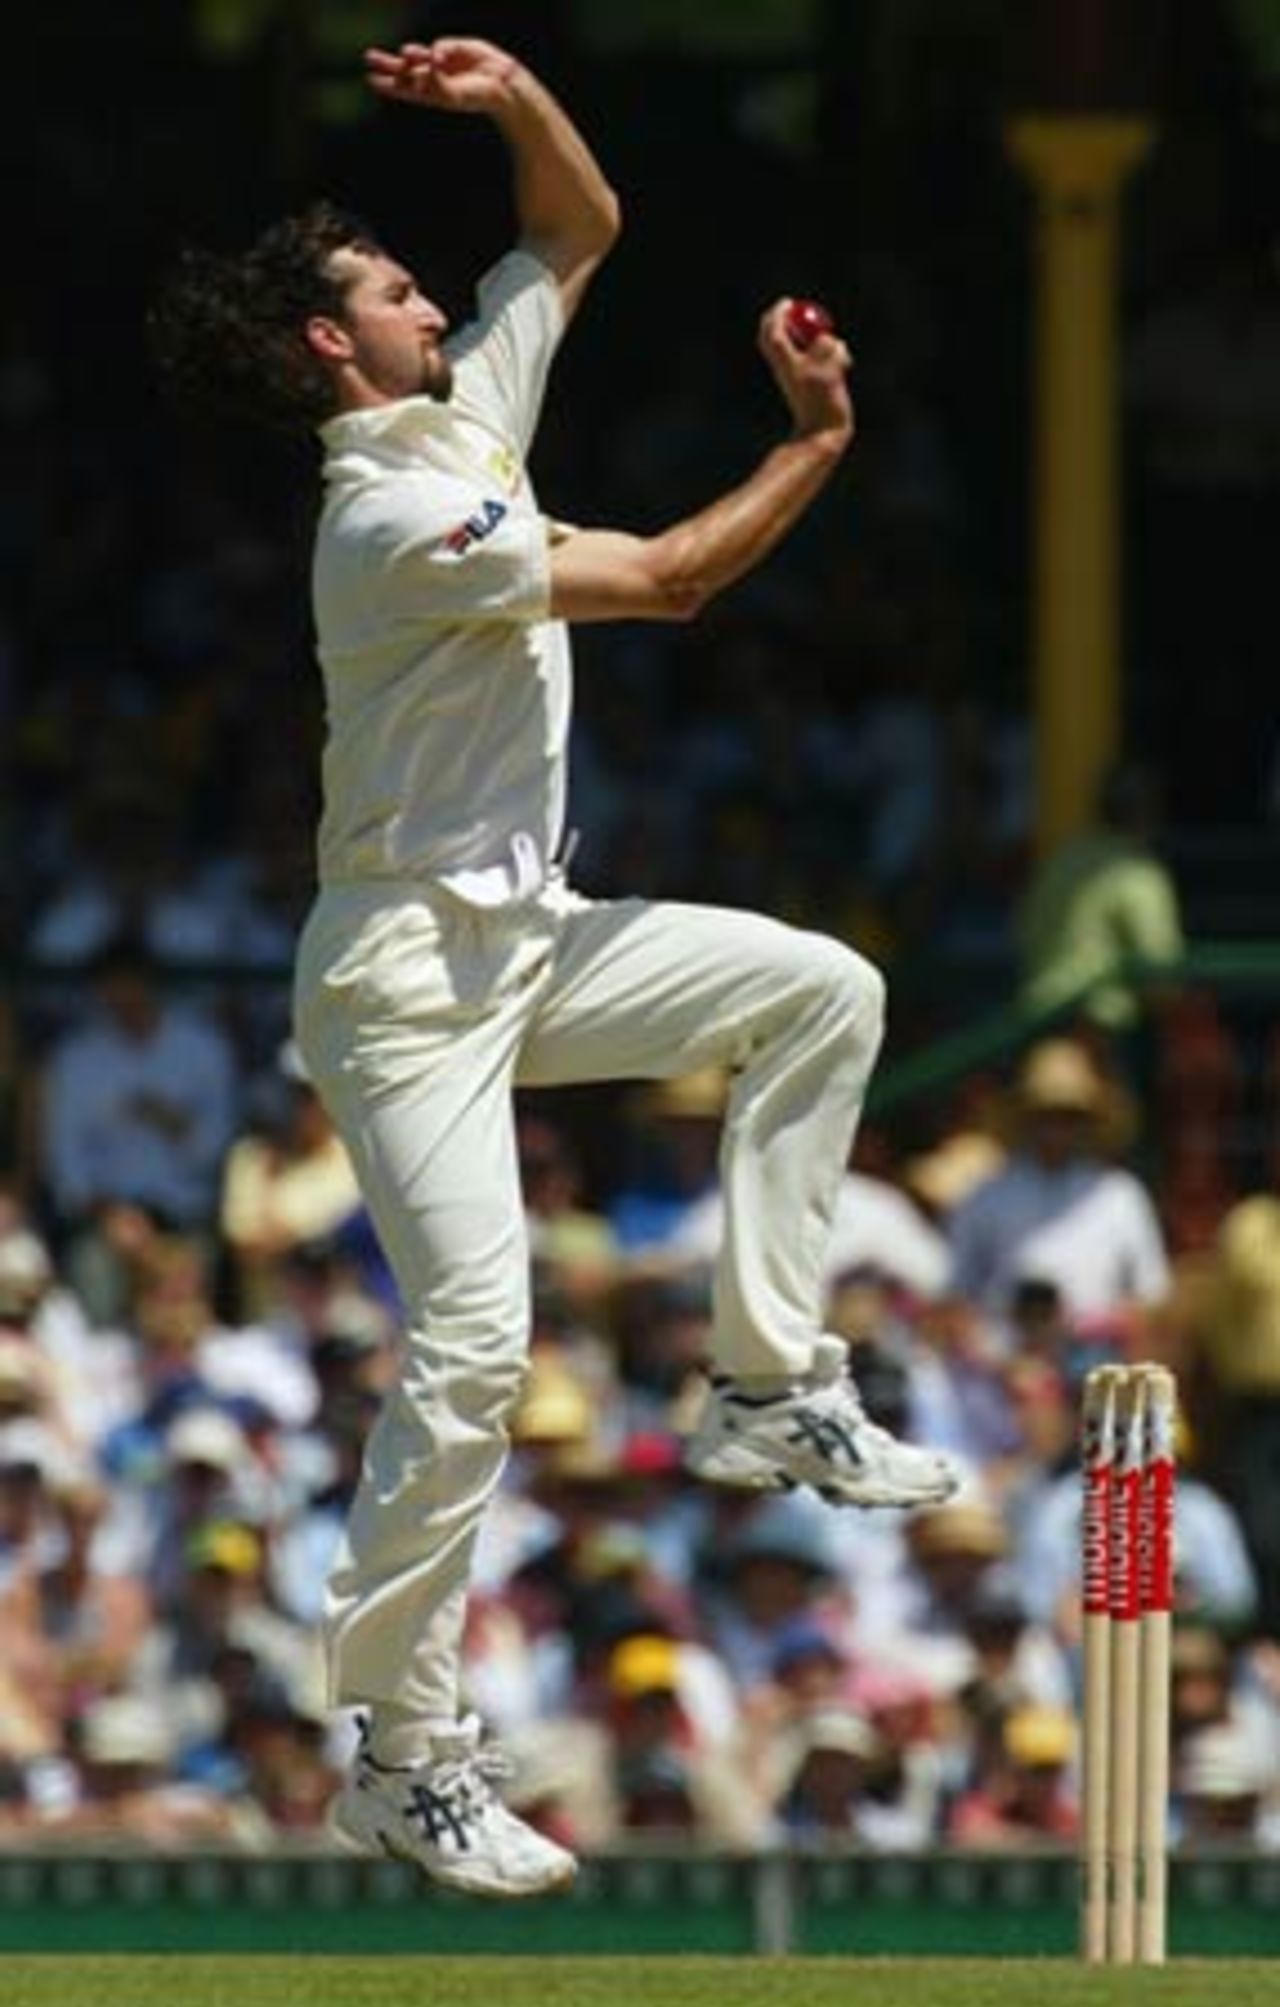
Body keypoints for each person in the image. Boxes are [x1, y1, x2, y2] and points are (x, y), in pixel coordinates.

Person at [150, 35, 956, 1898]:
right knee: (477, 1344)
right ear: (325, 352)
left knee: (819, 990)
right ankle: (401, 1750)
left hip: (531, 932)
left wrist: (509, 94)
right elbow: (672, 576)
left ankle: (767, 1384)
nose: (435, 295)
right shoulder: (395, 511)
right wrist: (817, 442)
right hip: (406, 980)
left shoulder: (468, 429)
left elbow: (577, 232)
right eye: (391, 291)